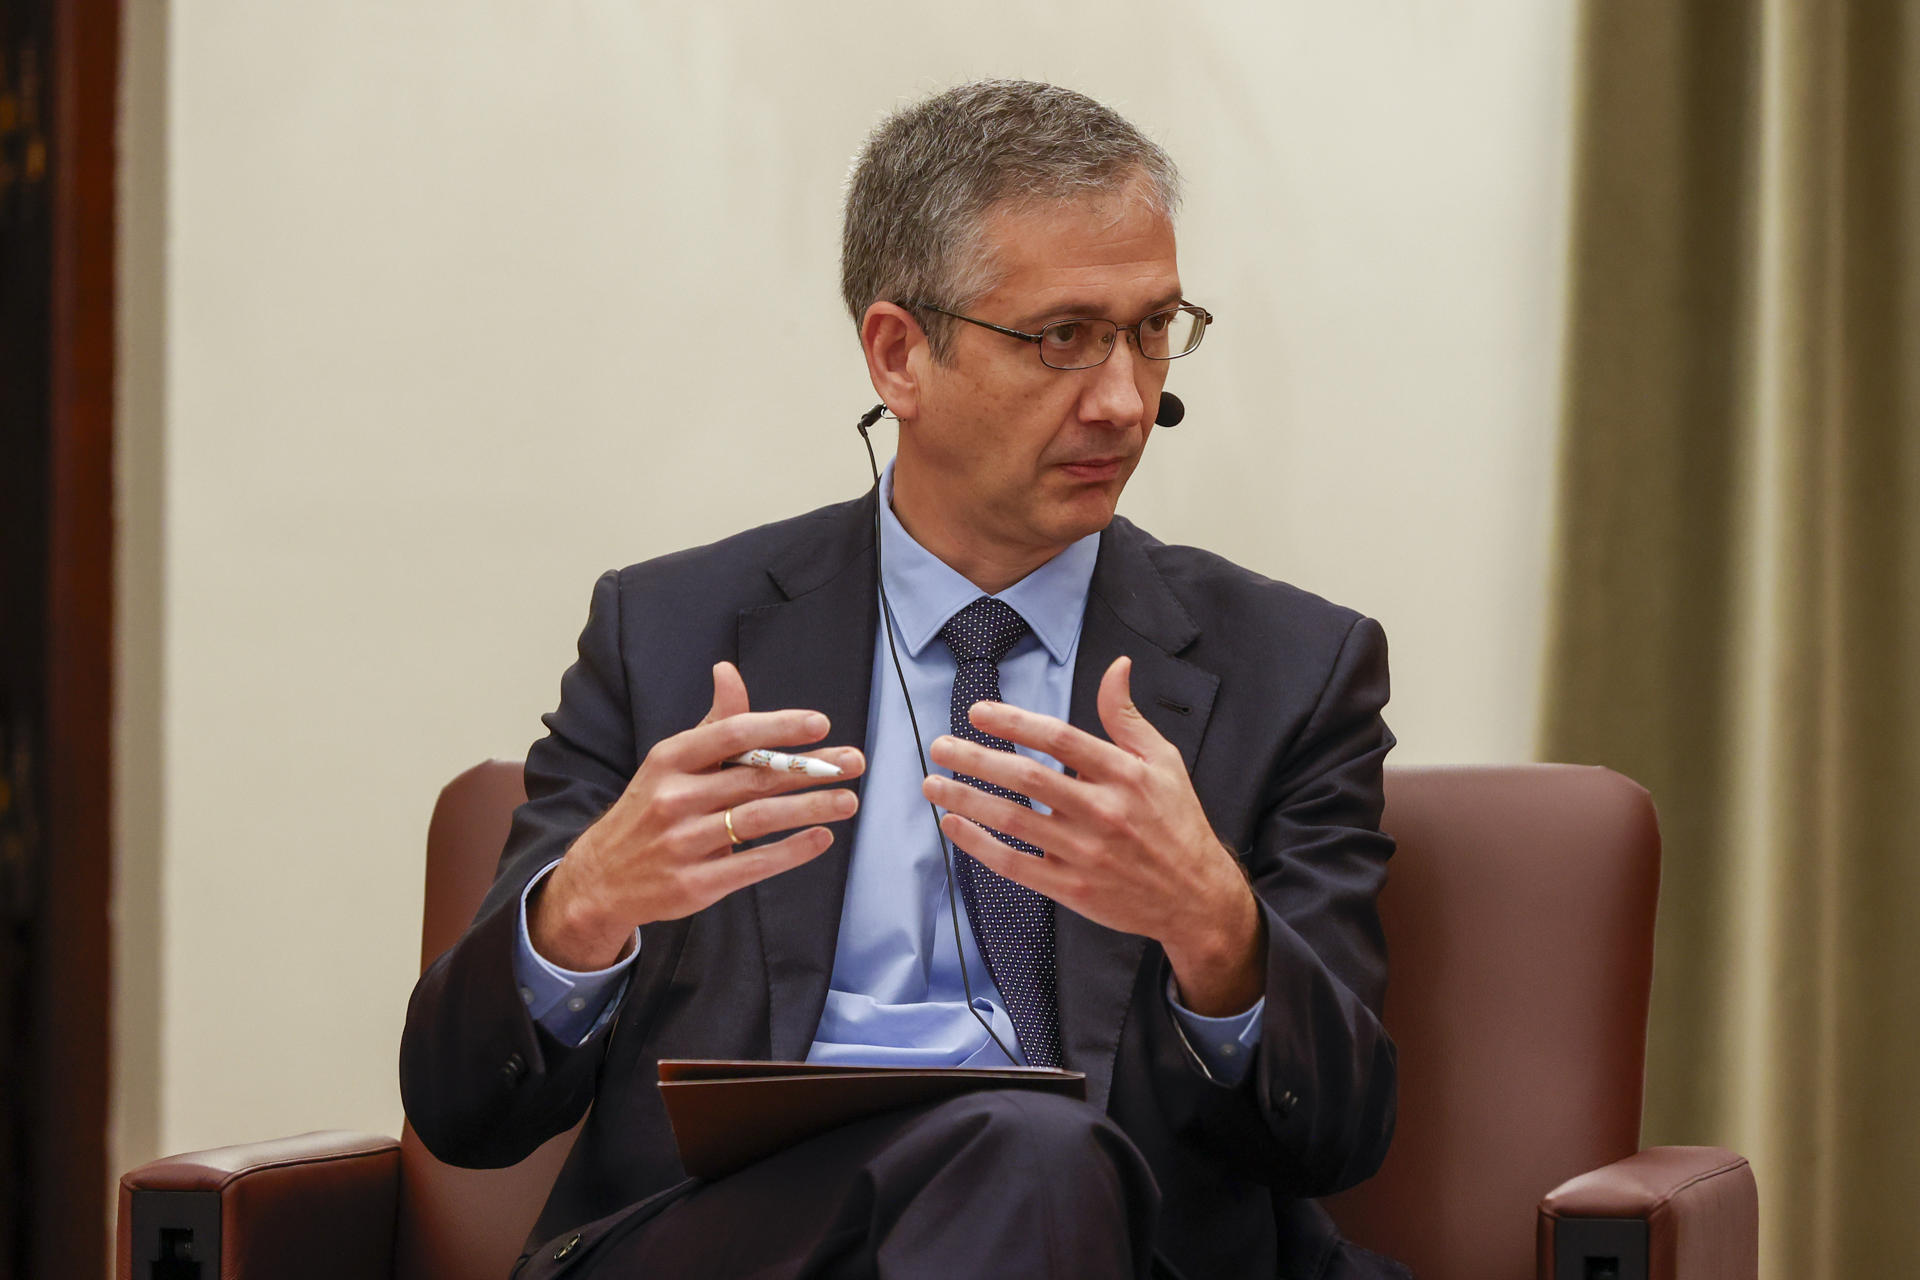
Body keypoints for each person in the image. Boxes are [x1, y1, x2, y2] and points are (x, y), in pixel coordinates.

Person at [401, 79, 1407, 1280]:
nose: (1127, 400)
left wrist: (1217, 931)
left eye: (1151, 328)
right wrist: (581, 911)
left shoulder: (1288, 668)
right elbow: (463, 1110)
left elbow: (1340, 1132)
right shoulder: (669, 634)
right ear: (899, 354)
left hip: (1108, 1240)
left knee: (1033, 1154)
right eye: (1063, 337)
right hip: (741, 1242)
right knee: (1022, 1149)